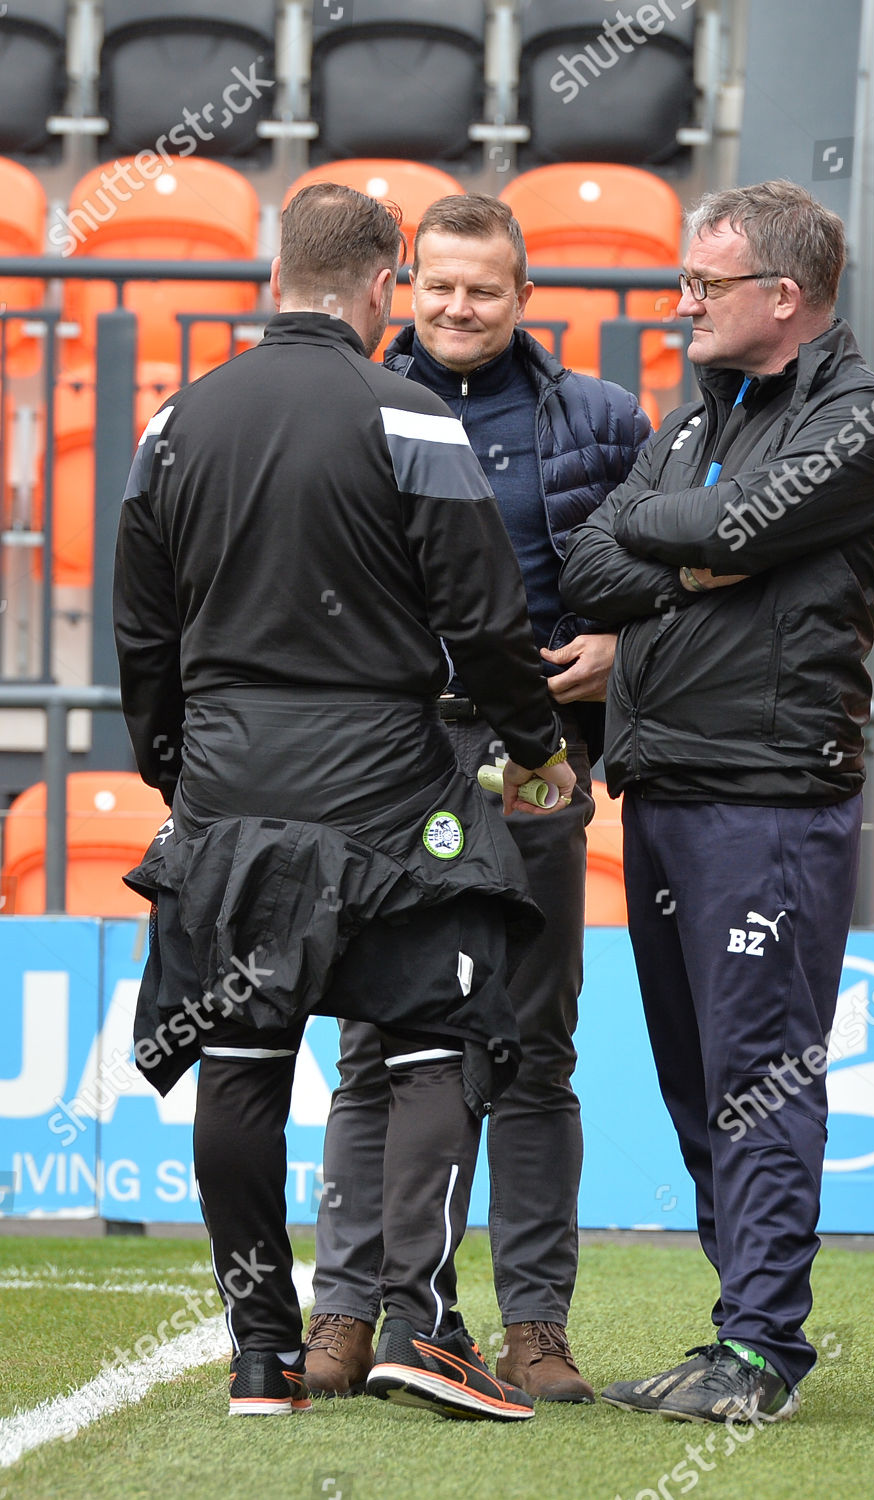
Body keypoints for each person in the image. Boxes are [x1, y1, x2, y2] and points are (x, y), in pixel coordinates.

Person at [113, 181, 579, 1422]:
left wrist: (179, 771)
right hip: (387, 795)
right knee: (437, 1046)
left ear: (278, 275)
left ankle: (261, 1355)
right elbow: (484, 625)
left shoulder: (174, 423)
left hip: (230, 793)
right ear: (382, 287)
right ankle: (417, 1331)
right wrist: (534, 743)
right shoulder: (411, 416)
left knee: (246, 1063)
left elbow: (141, 634)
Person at [560, 180, 874, 1424]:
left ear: (783, 296)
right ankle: (738, 1334)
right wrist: (699, 558)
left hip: (769, 797)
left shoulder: (863, 416)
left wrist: (690, 540)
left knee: (758, 1073)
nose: (681, 303)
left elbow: (711, 525)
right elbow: (590, 555)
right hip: (663, 787)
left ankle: (759, 1352)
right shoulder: (689, 416)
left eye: (703, 285)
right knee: (695, 1080)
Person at [305, 194, 651, 1404]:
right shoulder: (349, 406)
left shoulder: (603, 420)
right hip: (381, 773)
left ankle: (535, 1333)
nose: (459, 308)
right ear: (404, 285)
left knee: (536, 1054)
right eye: (438, 285)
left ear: (524, 295)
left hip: (537, 766)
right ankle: (348, 1315)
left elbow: (649, 573)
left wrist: (620, 644)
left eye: (484, 290)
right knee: (372, 1052)